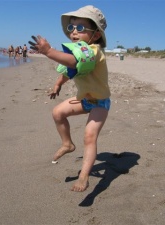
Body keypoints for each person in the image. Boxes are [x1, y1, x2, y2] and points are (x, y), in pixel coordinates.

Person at [29, 5, 110, 192]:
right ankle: (67, 143)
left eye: (80, 28)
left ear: (95, 35)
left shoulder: (93, 51)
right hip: (85, 99)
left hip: (100, 103)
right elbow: (69, 70)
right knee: (57, 113)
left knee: (89, 136)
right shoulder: (78, 50)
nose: (74, 32)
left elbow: (75, 62)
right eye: (71, 28)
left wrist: (49, 52)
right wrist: (58, 84)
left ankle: (84, 176)